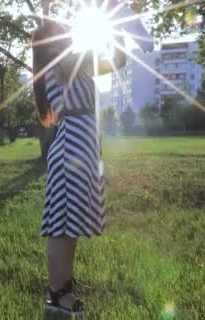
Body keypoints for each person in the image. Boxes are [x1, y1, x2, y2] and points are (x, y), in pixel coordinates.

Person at [32, 17, 126, 318]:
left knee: (69, 226)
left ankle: (62, 290)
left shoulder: (71, 65)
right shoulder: (59, 64)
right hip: (71, 148)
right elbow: (109, 59)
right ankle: (57, 295)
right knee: (62, 225)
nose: (69, 35)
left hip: (80, 147)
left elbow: (117, 59)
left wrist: (121, 24)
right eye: (62, 32)